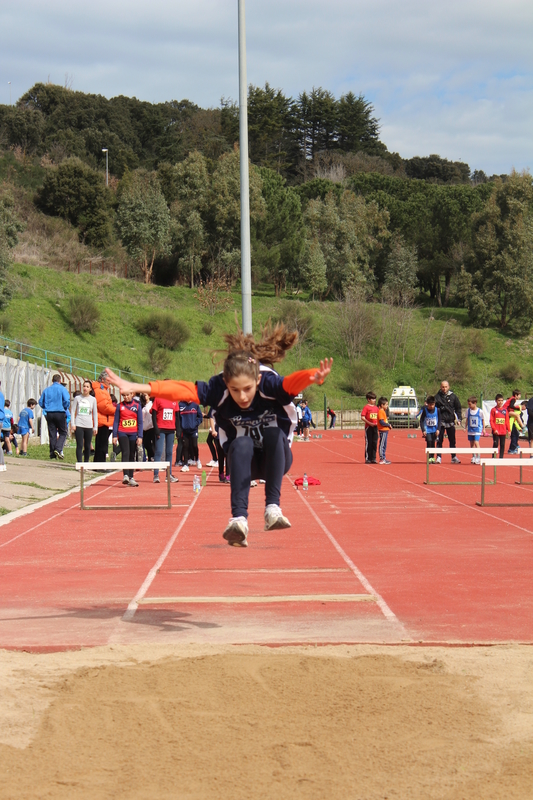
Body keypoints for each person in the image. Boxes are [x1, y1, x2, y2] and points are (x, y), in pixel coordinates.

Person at [104, 323, 332, 547]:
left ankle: (272, 508)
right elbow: (180, 389)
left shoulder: (270, 384)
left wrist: (314, 376)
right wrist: (136, 386)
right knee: (241, 443)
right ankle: (239, 520)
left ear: (257, 381)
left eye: (247, 389)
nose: (242, 397)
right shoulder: (218, 389)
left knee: (272, 434)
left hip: (277, 457)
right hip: (243, 463)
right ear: (226, 384)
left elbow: (292, 382)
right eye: (235, 390)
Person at [112, 390, 143, 486]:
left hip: (133, 433)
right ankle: (125, 475)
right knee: (125, 452)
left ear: (132, 394)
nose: (126, 397)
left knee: (132, 454)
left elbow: (140, 422)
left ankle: (131, 476)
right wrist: (114, 435)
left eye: (127, 395)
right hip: (122, 432)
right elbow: (116, 421)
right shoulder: (119, 406)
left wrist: (140, 436)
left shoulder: (137, 406)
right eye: (124, 396)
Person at [38, 374, 70, 459]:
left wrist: (46, 407)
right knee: (63, 432)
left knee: (52, 433)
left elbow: (41, 402)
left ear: (52, 380)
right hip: (60, 412)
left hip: (49, 413)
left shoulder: (46, 390)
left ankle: (52, 454)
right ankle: (58, 448)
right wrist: (65, 407)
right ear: (60, 381)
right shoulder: (63, 389)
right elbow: (66, 400)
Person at [151, 394, 179, 484]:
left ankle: (169, 475)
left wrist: (178, 430)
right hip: (160, 428)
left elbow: (177, 416)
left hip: (171, 429)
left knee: (169, 452)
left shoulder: (174, 400)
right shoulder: (158, 399)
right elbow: (153, 415)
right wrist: (156, 429)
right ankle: (156, 475)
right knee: (159, 451)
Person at [435, 380, 462, 464]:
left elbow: (458, 408)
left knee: (452, 440)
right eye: (443, 387)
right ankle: (439, 456)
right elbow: (434, 409)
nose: (444, 388)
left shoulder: (453, 396)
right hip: (441, 421)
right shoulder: (437, 397)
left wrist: (459, 418)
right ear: (440, 387)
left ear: (448, 387)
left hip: (450, 421)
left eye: (446, 387)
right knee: (439, 440)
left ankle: (453, 457)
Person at [71, 379, 98, 463]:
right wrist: (73, 423)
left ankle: (86, 463)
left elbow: (95, 414)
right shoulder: (77, 398)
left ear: (90, 389)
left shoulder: (93, 399)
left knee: (87, 445)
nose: (85, 388)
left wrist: (95, 426)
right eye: (84, 386)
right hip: (79, 423)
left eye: (87, 387)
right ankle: (79, 463)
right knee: (79, 445)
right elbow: (72, 411)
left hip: (88, 425)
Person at [92, 372, 117, 463]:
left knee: (102, 444)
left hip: (103, 420)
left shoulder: (102, 390)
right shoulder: (100, 390)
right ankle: (99, 464)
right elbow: (104, 407)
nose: (110, 381)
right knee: (102, 445)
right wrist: (116, 410)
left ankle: (99, 463)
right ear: (102, 379)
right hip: (102, 420)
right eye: (108, 379)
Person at [179, 399, 203, 470]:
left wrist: (196, 424)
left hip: (194, 430)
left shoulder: (195, 405)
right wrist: (181, 426)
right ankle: (186, 464)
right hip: (185, 430)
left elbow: (200, 416)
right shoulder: (181, 405)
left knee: (194, 445)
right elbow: (178, 417)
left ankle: (197, 459)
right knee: (185, 446)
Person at [419, 396, 441, 463]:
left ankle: (432, 457)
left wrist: (438, 429)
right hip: (428, 430)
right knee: (429, 442)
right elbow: (421, 420)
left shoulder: (437, 410)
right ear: (427, 404)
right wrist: (423, 430)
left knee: (433, 443)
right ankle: (429, 457)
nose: (431, 406)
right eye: (430, 405)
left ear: (434, 404)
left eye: (432, 404)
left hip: (434, 430)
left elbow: (440, 420)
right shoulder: (425, 411)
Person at [490, 394, 511, 459]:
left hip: (503, 431)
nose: (500, 402)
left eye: (502, 400)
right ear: (496, 401)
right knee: (496, 444)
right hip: (496, 431)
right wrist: (494, 429)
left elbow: (507, 421)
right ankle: (493, 457)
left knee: (502, 444)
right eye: (499, 400)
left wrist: (509, 430)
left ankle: (501, 457)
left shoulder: (505, 410)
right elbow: (491, 420)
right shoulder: (493, 410)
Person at [465, 395, 484, 464]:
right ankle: (473, 456)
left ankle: (478, 457)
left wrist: (484, 429)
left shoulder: (480, 411)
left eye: (470, 404)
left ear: (475, 403)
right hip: (470, 429)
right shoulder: (468, 411)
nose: (469, 406)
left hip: (477, 430)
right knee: (471, 443)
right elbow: (467, 419)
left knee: (476, 442)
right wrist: (465, 427)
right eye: (468, 404)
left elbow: (483, 420)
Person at [361, 392, 379, 464]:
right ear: (368, 399)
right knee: (369, 442)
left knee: (375, 442)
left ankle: (373, 458)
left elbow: (378, 417)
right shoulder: (366, 407)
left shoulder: (376, 408)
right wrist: (370, 423)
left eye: (375, 399)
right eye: (373, 399)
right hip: (369, 427)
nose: (374, 400)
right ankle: (368, 458)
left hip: (375, 427)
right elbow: (363, 417)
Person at [504, 390, 522, 455]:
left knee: (515, 433)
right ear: (516, 395)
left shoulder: (512, 399)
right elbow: (511, 406)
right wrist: (517, 408)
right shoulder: (513, 399)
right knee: (514, 433)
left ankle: (514, 446)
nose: (520, 396)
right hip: (505, 413)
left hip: (506, 412)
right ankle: (512, 448)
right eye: (519, 395)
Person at [140, 392, 155, 461]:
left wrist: (150, 424)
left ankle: (152, 455)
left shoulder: (151, 405)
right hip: (144, 427)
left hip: (151, 427)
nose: (144, 396)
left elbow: (151, 416)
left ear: (149, 396)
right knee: (145, 443)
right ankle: (149, 457)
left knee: (147, 442)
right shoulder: (142, 405)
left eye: (145, 395)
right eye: (143, 395)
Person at [377, 396, 391, 464]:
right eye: (386, 404)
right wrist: (388, 425)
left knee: (384, 445)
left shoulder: (383, 411)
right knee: (382, 444)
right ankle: (381, 458)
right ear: (382, 405)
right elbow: (381, 422)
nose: (387, 406)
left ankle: (384, 457)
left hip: (385, 430)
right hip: (383, 430)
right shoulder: (381, 411)